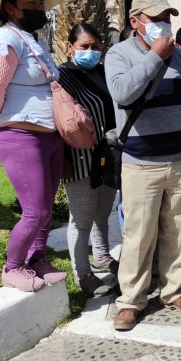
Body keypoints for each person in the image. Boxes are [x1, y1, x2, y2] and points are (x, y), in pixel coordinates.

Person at [105, 0, 181, 331]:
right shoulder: (118, 55)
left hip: (180, 160)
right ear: (135, 21)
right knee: (138, 234)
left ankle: (174, 290)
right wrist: (154, 57)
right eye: (155, 18)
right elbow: (123, 93)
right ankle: (131, 301)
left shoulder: (180, 58)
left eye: (167, 17)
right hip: (140, 162)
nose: (163, 24)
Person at [0, 0, 66, 292]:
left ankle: (37, 260)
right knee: (35, 210)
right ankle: (12, 267)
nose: (39, 8)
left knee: (46, 207)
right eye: (31, 2)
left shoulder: (32, 40)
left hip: (49, 136)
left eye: (40, 3)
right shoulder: (4, 40)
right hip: (21, 136)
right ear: (11, 8)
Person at [57, 22, 119, 296]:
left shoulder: (103, 73)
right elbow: (59, 120)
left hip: (107, 155)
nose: (91, 52)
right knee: (81, 218)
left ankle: (102, 256)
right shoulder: (61, 78)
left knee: (102, 211)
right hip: (79, 158)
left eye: (96, 46)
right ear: (71, 48)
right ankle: (82, 272)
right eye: (84, 46)